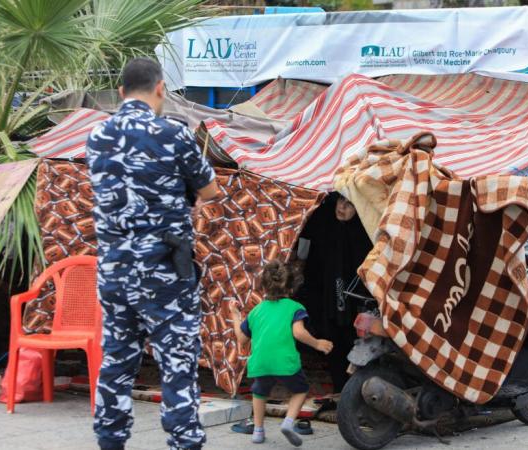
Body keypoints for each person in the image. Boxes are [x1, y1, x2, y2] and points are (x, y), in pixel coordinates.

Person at [86, 58, 220, 450]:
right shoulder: (174, 134)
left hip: (114, 271)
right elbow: (211, 192)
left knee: (116, 361)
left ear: (122, 92)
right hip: (164, 273)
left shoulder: (96, 136)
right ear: (160, 89)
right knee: (176, 365)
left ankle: (110, 441)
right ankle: (183, 442)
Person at [230, 260, 333, 447]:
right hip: (285, 362)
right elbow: (298, 332)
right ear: (291, 286)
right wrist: (317, 343)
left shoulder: (256, 310)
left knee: (259, 394)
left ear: (264, 286)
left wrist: (235, 316)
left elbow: (242, 339)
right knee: (300, 390)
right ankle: (288, 422)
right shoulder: (295, 308)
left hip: (260, 362)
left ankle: (258, 431)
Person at [296, 193, 373, 392]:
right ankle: (340, 388)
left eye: (349, 204)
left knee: (354, 340)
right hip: (327, 294)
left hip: (356, 298)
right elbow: (308, 254)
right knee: (332, 338)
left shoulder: (364, 232)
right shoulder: (324, 224)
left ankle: (355, 391)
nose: (342, 207)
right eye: (340, 201)